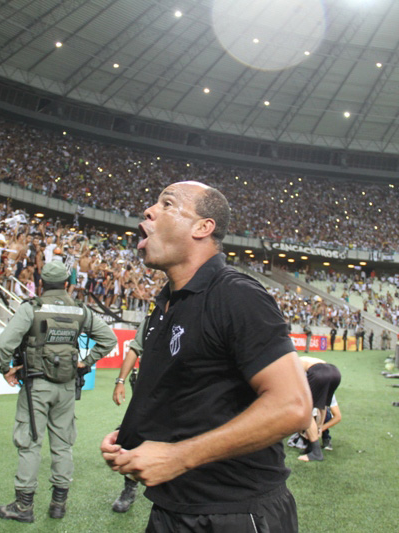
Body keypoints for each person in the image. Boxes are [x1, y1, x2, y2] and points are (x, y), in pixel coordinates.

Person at [100, 181, 312, 532]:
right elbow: (192, 393)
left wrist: (178, 457)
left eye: (166, 204)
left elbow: (293, 406)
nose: (149, 211)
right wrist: (132, 437)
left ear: (203, 227)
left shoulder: (235, 295)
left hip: (235, 513)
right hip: (171, 507)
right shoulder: (167, 302)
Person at [0, 261, 117, 523]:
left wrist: (5, 368)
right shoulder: (80, 310)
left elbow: (4, 343)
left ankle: (24, 506)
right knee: (63, 446)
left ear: (41, 283)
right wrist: (86, 362)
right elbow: (109, 339)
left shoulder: (32, 307)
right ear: (65, 284)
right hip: (66, 387)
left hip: (36, 385)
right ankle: (59, 504)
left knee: (30, 443)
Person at [110, 321, 145, 513]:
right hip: (148, 387)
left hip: (180, 391)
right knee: (133, 435)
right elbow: (135, 349)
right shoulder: (152, 319)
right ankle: (129, 489)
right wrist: (120, 380)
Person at [297, 356, 342, 462]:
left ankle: (316, 453)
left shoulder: (292, 366)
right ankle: (312, 446)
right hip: (335, 372)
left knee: (305, 412)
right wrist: (320, 427)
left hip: (319, 372)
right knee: (319, 406)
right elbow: (323, 406)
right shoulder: (301, 360)